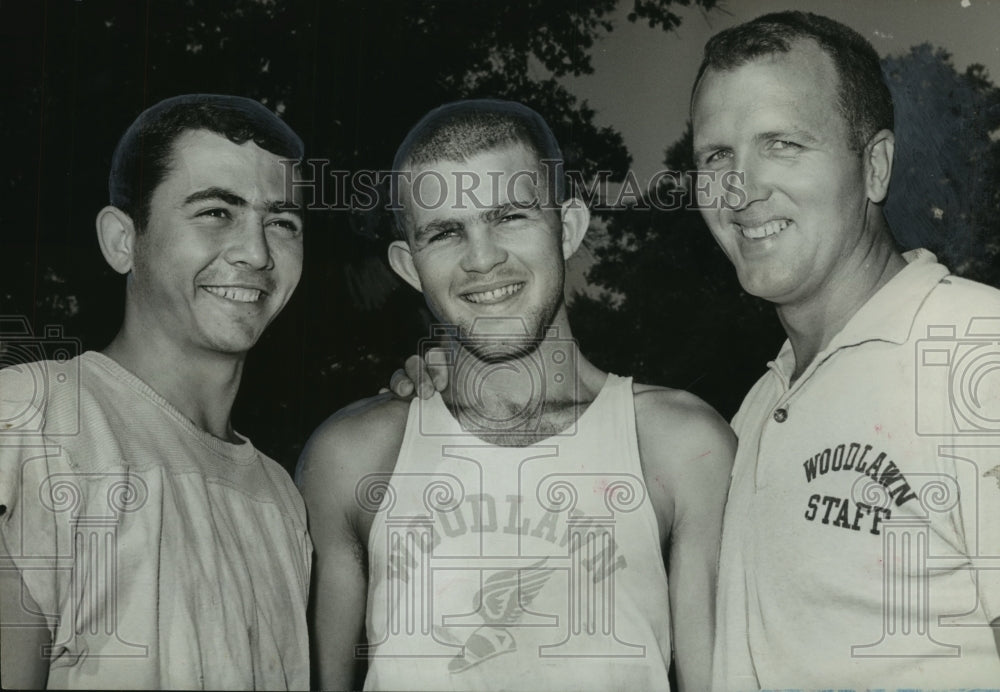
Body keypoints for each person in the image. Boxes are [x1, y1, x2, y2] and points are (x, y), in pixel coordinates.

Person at [297, 99, 734, 691]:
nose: (482, 259)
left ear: (569, 227)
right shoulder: (352, 457)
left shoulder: (679, 446)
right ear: (408, 265)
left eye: (509, 217)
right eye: (447, 232)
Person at [689, 11, 1000, 689]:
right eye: (716, 156)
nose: (740, 189)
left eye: (783, 144)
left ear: (875, 167)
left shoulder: (975, 352)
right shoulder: (756, 410)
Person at [0, 94, 311, 689]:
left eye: (282, 222)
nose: (257, 251)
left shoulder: (282, 496)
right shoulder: (32, 419)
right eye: (217, 212)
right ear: (122, 241)